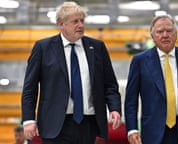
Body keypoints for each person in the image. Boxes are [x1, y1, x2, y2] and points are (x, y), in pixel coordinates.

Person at [21, 1, 121, 144]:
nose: (80, 25)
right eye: (75, 21)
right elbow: (29, 88)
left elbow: (110, 84)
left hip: (88, 123)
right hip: (55, 124)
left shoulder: (97, 47)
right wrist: (28, 119)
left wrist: (114, 108)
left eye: (82, 21)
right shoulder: (43, 48)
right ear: (61, 24)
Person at [124, 14, 178, 144]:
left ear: (176, 34)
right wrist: (132, 129)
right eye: (160, 32)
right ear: (153, 37)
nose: (165, 35)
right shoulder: (139, 61)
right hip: (152, 132)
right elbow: (131, 100)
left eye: (169, 31)